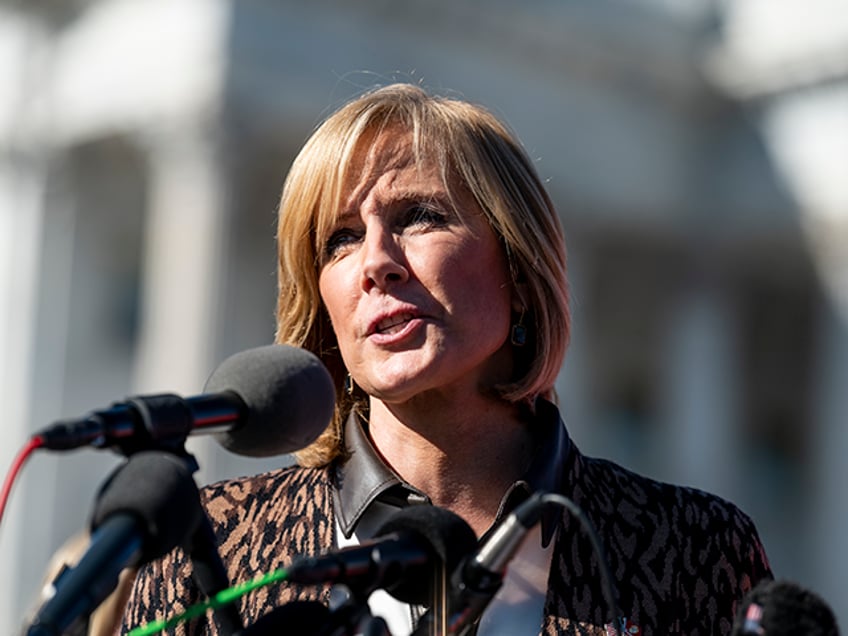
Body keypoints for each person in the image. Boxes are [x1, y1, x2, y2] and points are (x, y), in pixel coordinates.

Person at [120, 83, 773, 635]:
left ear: (519, 273)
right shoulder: (208, 548)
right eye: (340, 239)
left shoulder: (692, 544)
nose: (376, 262)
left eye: (420, 217)